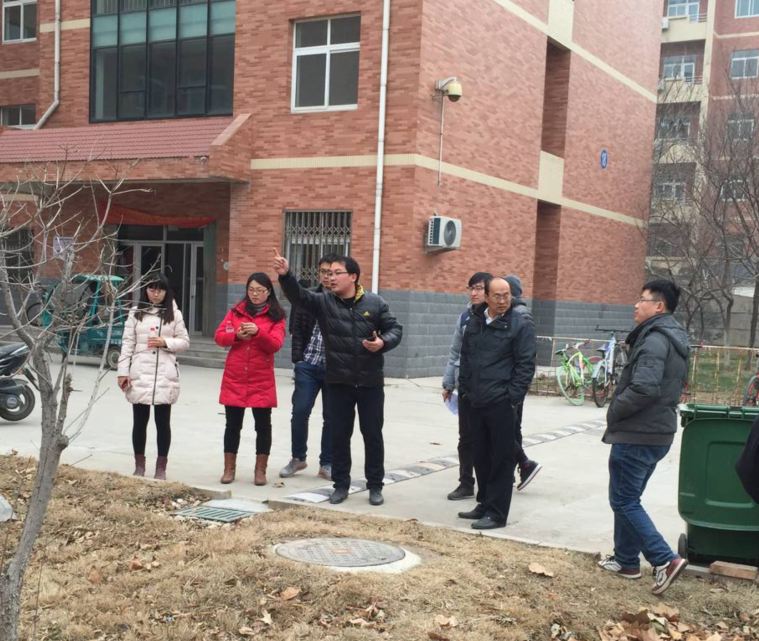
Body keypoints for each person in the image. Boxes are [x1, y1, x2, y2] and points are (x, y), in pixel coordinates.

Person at [273, 249, 403, 506]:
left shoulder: (375, 303)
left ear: (353, 276)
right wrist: (286, 275)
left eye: (336, 273)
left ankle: (375, 486)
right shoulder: (324, 302)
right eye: (328, 273)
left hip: (369, 382)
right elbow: (299, 296)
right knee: (340, 436)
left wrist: (383, 342)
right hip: (338, 381)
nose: (330, 278)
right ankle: (341, 485)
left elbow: (395, 329)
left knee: (372, 435)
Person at [597, 279, 689, 595]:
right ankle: (626, 561)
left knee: (623, 500)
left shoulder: (654, 340)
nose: (636, 305)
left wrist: (615, 410)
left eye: (642, 299)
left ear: (658, 306)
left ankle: (664, 560)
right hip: (655, 432)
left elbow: (645, 387)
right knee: (628, 498)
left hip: (638, 432)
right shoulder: (671, 336)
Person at [457, 277, 537, 529]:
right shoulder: (475, 322)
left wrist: (511, 398)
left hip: (500, 402)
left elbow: (526, 365)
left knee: (501, 459)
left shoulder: (519, 325)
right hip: (475, 401)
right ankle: (484, 503)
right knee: (480, 456)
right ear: (487, 297)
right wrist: (465, 390)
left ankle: (497, 513)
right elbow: (466, 358)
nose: (503, 301)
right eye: (497, 296)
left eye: (507, 295)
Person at [215, 272, 286, 486]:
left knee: (263, 426)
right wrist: (236, 336)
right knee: (232, 425)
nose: (255, 294)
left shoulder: (276, 316)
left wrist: (258, 333)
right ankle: (229, 469)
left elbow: (275, 345)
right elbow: (219, 337)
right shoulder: (236, 311)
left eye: (260, 290)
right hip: (235, 376)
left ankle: (260, 470)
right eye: (251, 290)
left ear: (268, 292)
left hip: (261, 378)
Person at [117, 274, 190, 480]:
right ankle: (139, 465)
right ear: (145, 290)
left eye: (160, 289)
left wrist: (166, 342)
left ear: (166, 291)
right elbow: (127, 344)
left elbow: (184, 341)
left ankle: (161, 467)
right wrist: (123, 372)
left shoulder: (174, 313)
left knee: (162, 423)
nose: (156, 294)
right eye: (152, 289)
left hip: (164, 374)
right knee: (139, 422)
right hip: (140, 373)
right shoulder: (136, 312)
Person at [279, 253, 337, 480]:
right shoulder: (309, 297)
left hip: (334, 369)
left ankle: (327, 463)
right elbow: (296, 329)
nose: (327, 277)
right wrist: (299, 359)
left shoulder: (346, 300)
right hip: (308, 365)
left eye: (332, 272)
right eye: (323, 272)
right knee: (300, 411)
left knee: (332, 417)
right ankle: (298, 458)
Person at [442, 271, 492, 501]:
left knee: (489, 439)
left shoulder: (498, 318)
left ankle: (490, 486)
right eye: (471, 288)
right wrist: (448, 382)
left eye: (478, 288)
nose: (473, 293)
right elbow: (455, 352)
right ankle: (465, 483)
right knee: (466, 439)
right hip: (466, 386)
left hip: (490, 388)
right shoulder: (464, 318)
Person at [504, 274, 542, 491]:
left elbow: (525, 357)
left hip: (512, 383)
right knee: (512, 427)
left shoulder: (518, 315)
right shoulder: (518, 312)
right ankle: (513, 469)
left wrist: (515, 390)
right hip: (512, 382)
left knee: (506, 427)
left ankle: (525, 463)